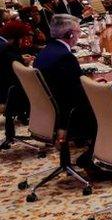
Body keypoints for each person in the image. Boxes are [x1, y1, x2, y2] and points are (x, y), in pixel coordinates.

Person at [32, 14, 95, 166]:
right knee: (110, 111)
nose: (79, 35)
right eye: (78, 32)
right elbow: (77, 95)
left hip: (50, 110)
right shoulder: (65, 58)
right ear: (70, 34)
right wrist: (95, 88)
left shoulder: (45, 52)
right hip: (68, 113)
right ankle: (91, 159)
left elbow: (68, 85)